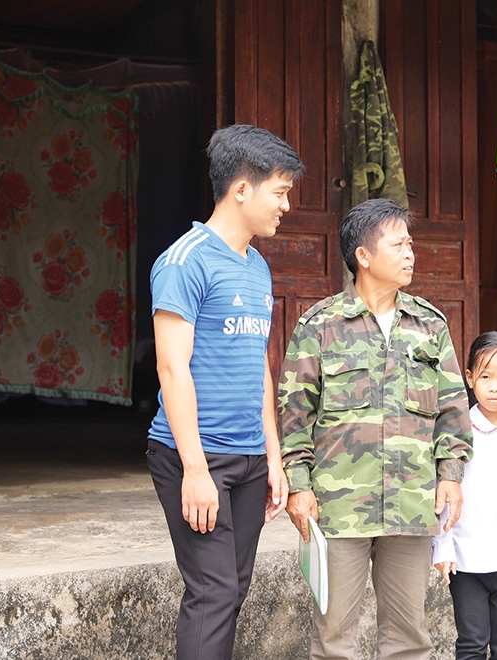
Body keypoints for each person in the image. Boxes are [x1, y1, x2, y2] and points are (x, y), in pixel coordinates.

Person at [278, 197, 473, 660]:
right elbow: (294, 413)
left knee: (409, 638)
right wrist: (298, 487)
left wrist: (451, 474)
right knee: (333, 638)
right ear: (363, 256)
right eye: (398, 245)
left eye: (411, 244)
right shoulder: (319, 325)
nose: (411, 254)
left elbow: (452, 407)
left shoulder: (430, 324)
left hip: (411, 500)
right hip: (338, 505)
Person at [145, 124, 303, 660]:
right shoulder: (184, 261)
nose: (286, 205)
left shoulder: (257, 267)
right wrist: (194, 470)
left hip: (248, 457)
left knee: (231, 591)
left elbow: (259, 363)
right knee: (213, 592)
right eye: (279, 192)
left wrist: (273, 457)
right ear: (242, 189)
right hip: (193, 454)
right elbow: (172, 368)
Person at [432, 331, 497, 660]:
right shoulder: (457, 433)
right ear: (470, 377)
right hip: (467, 561)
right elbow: (444, 492)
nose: (494, 387)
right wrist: (442, 547)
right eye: (486, 377)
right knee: (472, 644)